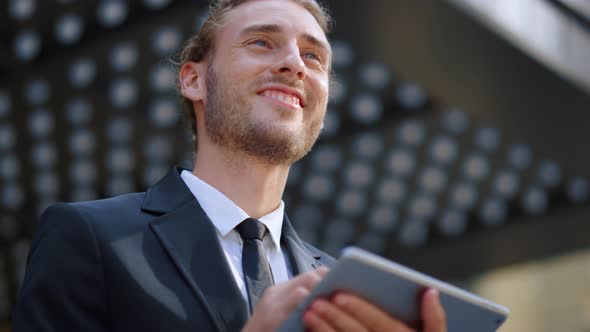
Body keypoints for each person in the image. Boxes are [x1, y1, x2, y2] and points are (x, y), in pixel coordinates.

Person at [12, 0, 447, 331]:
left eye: (314, 57)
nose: (295, 64)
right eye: (261, 42)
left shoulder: (346, 288)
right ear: (194, 79)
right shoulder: (88, 238)